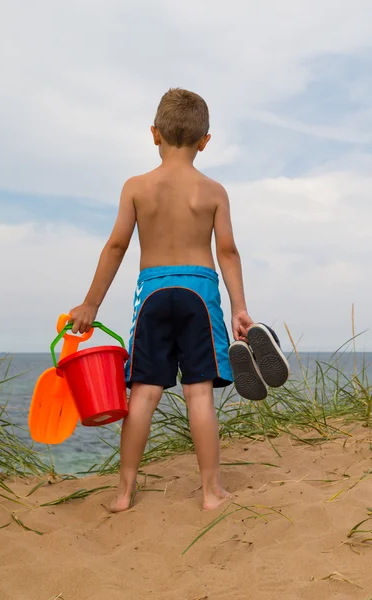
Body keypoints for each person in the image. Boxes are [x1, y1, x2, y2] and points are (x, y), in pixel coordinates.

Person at [69, 88, 288, 512]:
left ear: (154, 133)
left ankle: (123, 492)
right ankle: (211, 491)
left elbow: (115, 246)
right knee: (199, 394)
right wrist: (240, 309)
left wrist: (90, 304)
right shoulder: (213, 191)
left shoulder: (136, 187)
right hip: (199, 295)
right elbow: (228, 252)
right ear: (205, 140)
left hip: (152, 294)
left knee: (143, 396)